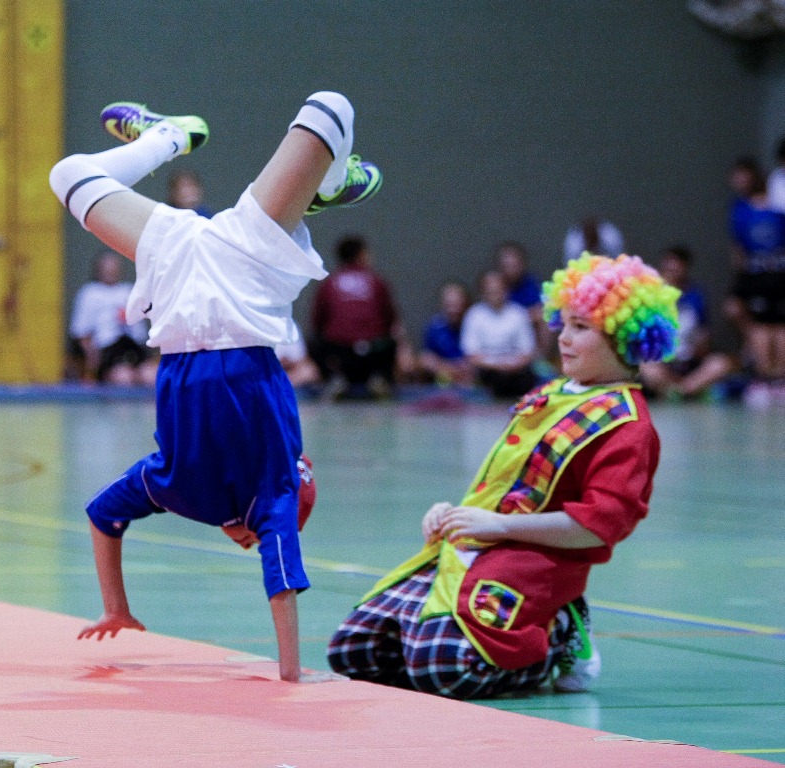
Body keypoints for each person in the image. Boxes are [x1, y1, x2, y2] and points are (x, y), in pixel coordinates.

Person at [48, 90, 382, 683]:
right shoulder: (272, 488)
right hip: (247, 264)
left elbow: (104, 516)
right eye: (257, 539)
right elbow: (282, 588)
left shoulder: (181, 488)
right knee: (329, 108)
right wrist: (290, 673)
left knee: (68, 175)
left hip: (177, 266)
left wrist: (116, 607)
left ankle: (168, 136)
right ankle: (327, 182)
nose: (247, 542)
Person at [328, 254, 679, 699]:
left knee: (444, 670)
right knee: (355, 651)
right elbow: (505, 484)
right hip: (480, 545)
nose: (563, 338)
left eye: (581, 328)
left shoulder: (629, 426)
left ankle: (560, 633)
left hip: (535, 561)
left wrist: (501, 527)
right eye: (564, 324)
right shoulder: (551, 392)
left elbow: (597, 527)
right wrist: (453, 513)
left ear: (625, 338)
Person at [309, 235, 404, 398]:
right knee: (392, 340)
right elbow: (390, 318)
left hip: (339, 352)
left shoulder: (329, 283)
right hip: (375, 351)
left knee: (314, 342)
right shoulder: (377, 281)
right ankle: (380, 377)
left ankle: (334, 378)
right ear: (362, 254)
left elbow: (317, 321)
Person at [639, 246, 735, 400]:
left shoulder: (696, 296)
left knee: (721, 363)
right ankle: (684, 391)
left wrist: (699, 346)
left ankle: (681, 391)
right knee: (645, 367)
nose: (673, 270)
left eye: (677, 266)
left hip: (690, 362)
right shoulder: (651, 296)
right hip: (663, 362)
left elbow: (704, 332)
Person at [727, 156, 785, 405]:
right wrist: (742, 276)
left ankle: (779, 379)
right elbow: (738, 247)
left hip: (778, 273)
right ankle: (765, 376)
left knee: (779, 324)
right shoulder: (740, 210)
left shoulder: (777, 202)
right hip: (754, 275)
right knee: (758, 323)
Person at [69, 249, 157, 385]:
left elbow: (141, 333)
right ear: (99, 269)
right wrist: (92, 365)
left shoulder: (128, 291)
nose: (110, 271)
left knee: (151, 375)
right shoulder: (90, 293)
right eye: (107, 267)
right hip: (108, 352)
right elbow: (82, 334)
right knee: (124, 377)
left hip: (133, 347)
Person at [460, 270, 538, 398]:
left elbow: (528, 352)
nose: (495, 295)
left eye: (498, 290)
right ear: (482, 292)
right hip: (487, 372)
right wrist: (498, 366)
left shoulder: (519, 314)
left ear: (506, 290)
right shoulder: (474, 315)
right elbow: (471, 355)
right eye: (490, 291)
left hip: (517, 372)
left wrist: (511, 366)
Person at [494, 240, 555, 360]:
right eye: (507, 265)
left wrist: (519, 317)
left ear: (522, 264)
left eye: (514, 264)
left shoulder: (529, 282)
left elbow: (541, 308)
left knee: (547, 317)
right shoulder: (495, 283)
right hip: (497, 322)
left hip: (523, 324)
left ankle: (539, 359)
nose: (511, 268)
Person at [417, 281, 473, 385]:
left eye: (457, 305)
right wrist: (450, 368)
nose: (453, 310)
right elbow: (427, 358)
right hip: (444, 374)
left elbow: (477, 359)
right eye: (449, 305)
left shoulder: (475, 323)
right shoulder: (435, 327)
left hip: (472, 375)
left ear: (466, 304)